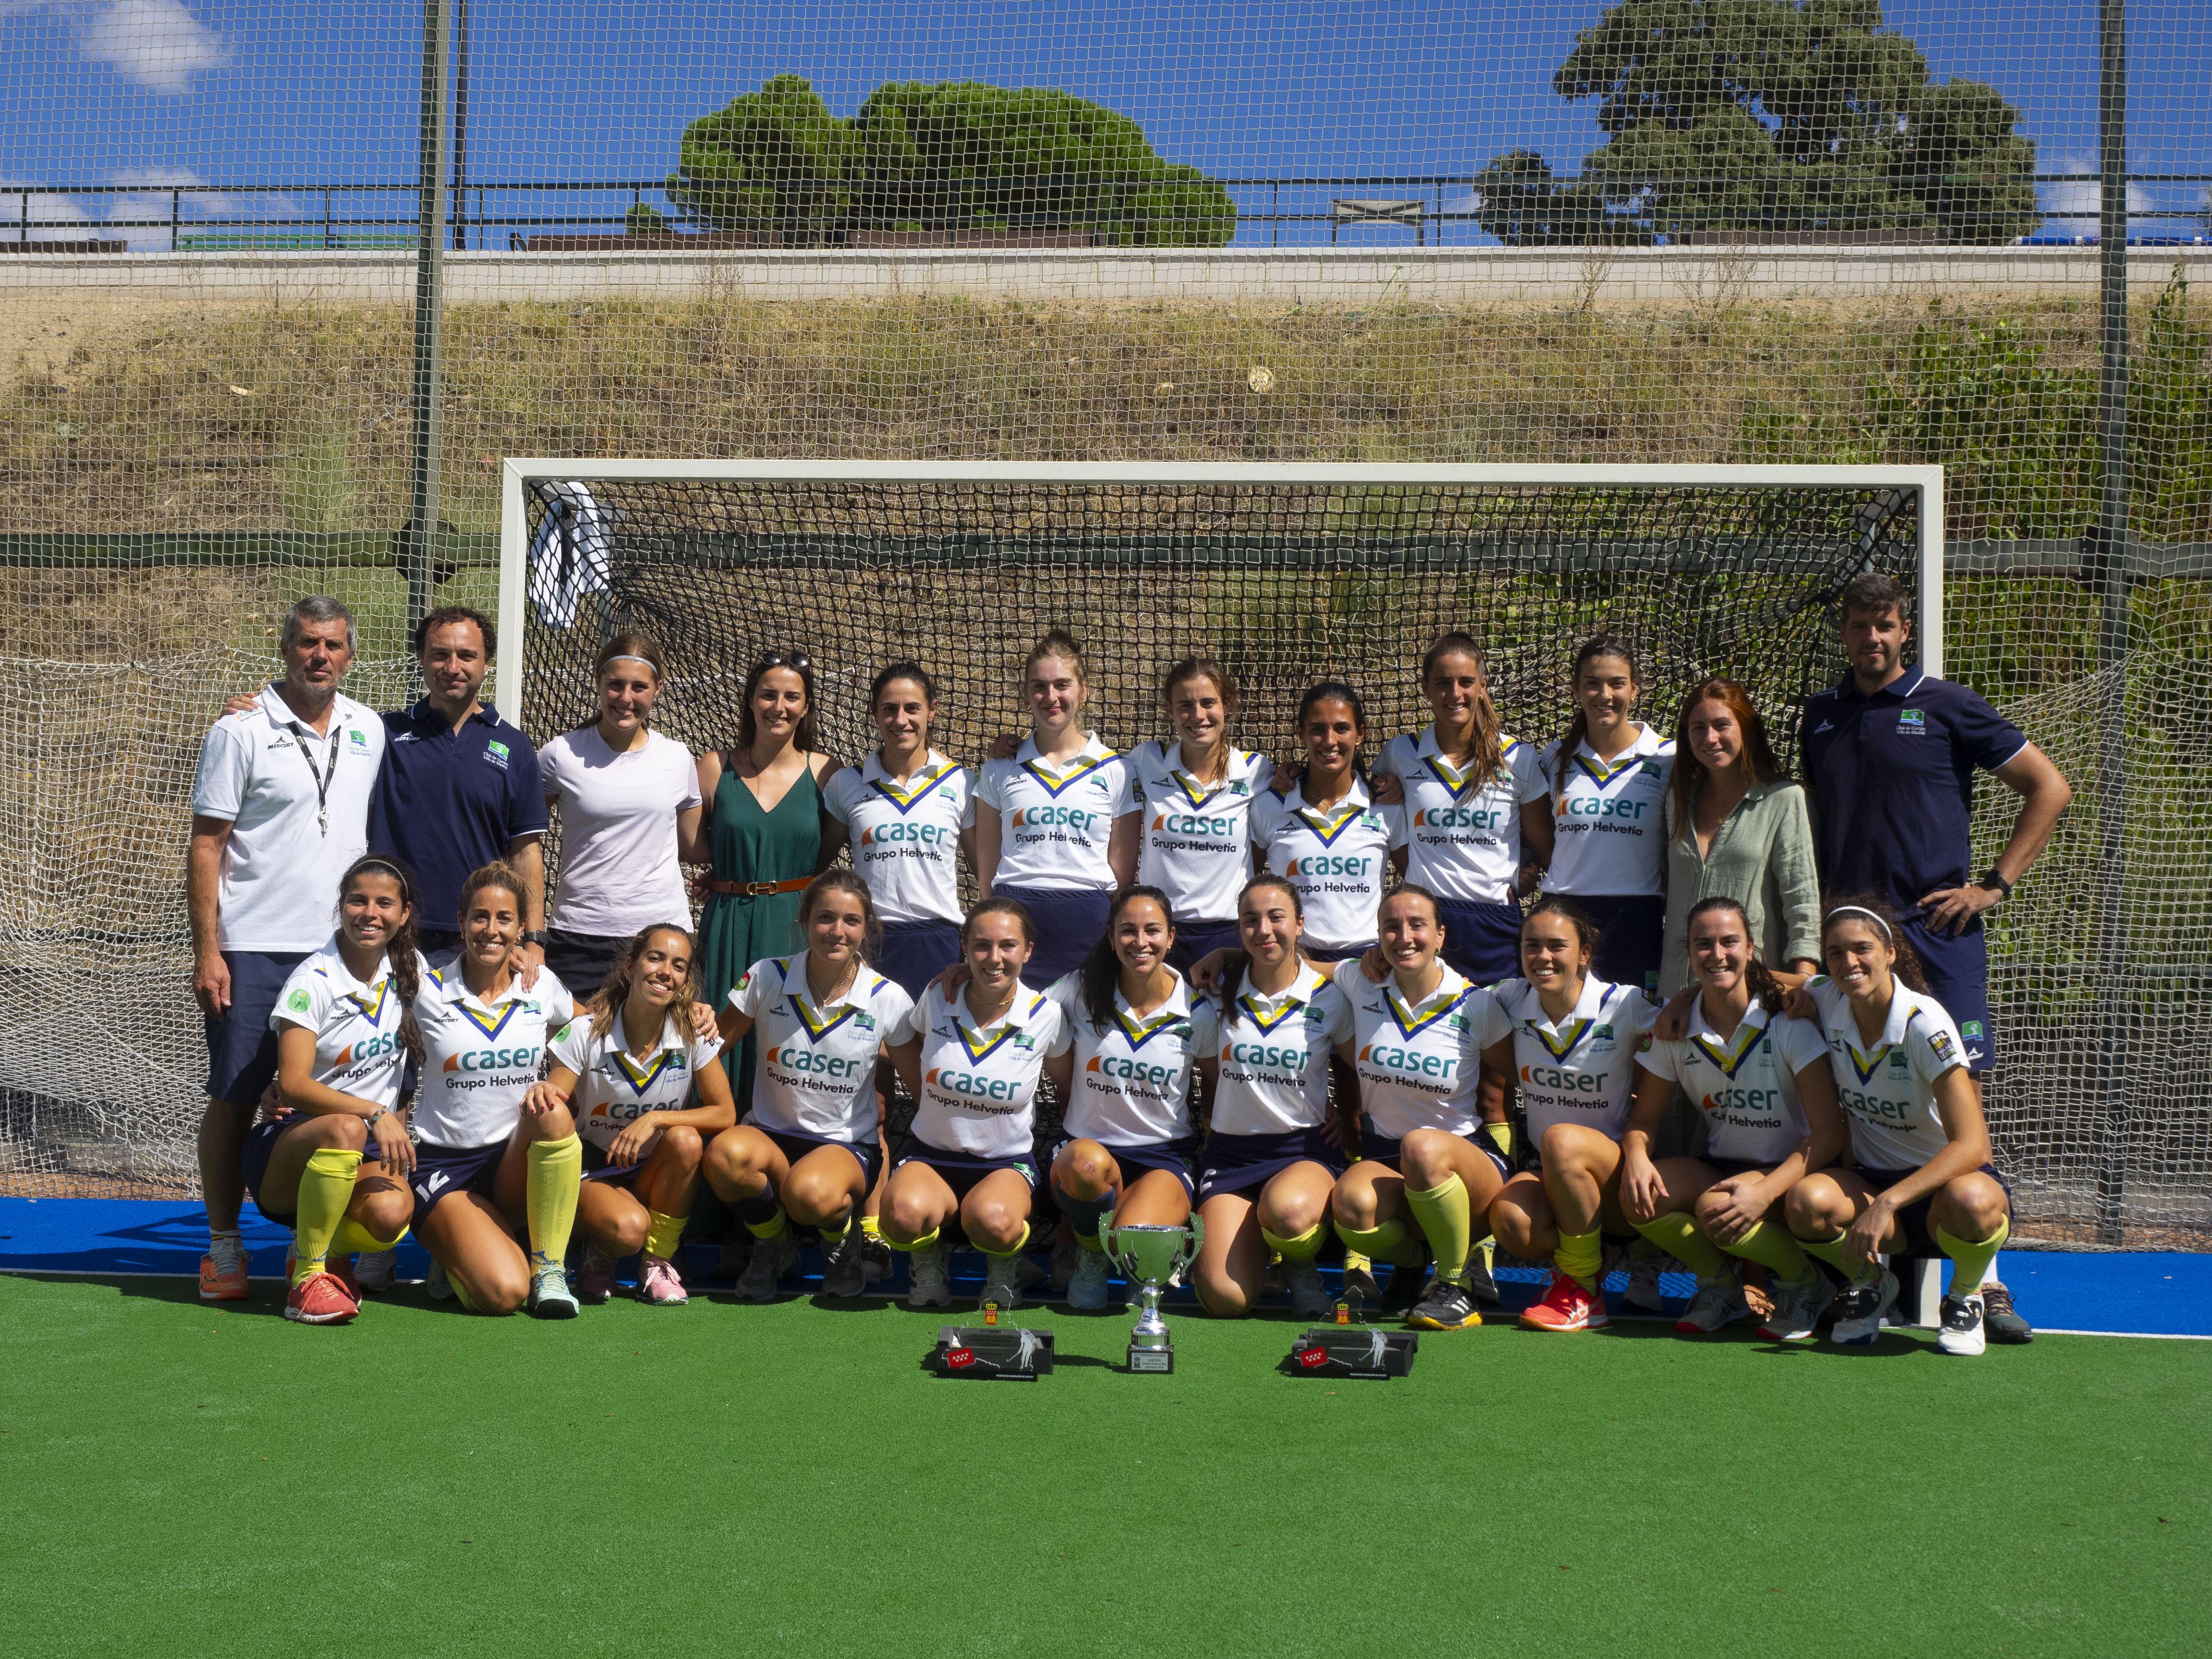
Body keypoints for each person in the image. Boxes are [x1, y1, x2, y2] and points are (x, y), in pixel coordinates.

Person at [1799, 571, 2069, 1341]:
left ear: (1905, 630)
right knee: (1851, 1090)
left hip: (1937, 939)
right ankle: (1862, 1271)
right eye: (1858, 626)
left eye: (1884, 626)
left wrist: (1993, 886)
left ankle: (1985, 1283)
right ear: (1844, 632)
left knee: (1962, 1104)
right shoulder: (1819, 718)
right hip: (1851, 946)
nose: (1871, 639)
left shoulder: (1948, 706)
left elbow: (2048, 786)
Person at [189, 595, 387, 1303]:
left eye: (333, 645)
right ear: (285, 650)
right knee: (236, 1097)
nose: (320, 656)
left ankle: (327, 1248)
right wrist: (208, 950)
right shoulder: (239, 729)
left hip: (343, 955)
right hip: (254, 948)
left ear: (350, 656)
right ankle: (223, 1248)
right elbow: (207, 844)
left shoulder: (369, 728)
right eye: (307, 643)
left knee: (341, 1103)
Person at [1782, 896, 2016, 1356]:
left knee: (1975, 1199)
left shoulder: (1925, 1024)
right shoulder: (1829, 998)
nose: (1849, 962)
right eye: (1835, 953)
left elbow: (1972, 1146)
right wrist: (1689, 997)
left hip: (1940, 1192)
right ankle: (1873, 1285)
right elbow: (1755, 977)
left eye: (1862, 949)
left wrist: (1889, 1201)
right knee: (1806, 1202)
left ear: (1890, 953)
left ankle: (1966, 1295)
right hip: (1872, 1183)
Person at [1619, 896, 1846, 1339]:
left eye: (1729, 942)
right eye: (1704, 944)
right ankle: (1723, 1290)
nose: (1717, 955)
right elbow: (1643, 1119)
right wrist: (1636, 1157)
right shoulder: (1675, 1029)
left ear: (1750, 947)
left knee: (1716, 1208)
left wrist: (1764, 1195)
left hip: (1795, 1176)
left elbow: (1829, 1133)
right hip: (1724, 1168)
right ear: (1688, 952)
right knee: (1638, 1195)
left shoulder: (1788, 1021)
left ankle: (1806, 1285)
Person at [705, 872, 913, 1301]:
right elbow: (711, 1046)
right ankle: (773, 1243)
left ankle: (842, 1246)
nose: (838, 932)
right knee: (725, 1156)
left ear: (866, 927)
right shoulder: (767, 976)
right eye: (825, 918)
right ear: (803, 920)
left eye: (851, 921)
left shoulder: (888, 998)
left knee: (812, 1193)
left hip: (843, 1148)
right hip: (769, 1135)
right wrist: (684, 1015)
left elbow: (922, 1079)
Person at [244, 854, 422, 1325]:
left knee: (391, 1216)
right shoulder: (311, 982)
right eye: (358, 901)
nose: (370, 913)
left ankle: (323, 1247)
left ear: (404, 915)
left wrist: (526, 954)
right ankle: (307, 1279)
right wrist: (375, 1113)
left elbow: (477, 997)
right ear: (340, 907)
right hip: (289, 1149)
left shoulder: (408, 973)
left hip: (357, 1144)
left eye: (385, 903)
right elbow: (295, 1084)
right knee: (344, 1128)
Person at [404, 862, 585, 1319]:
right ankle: (454, 1251)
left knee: (554, 1113)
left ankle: (550, 1269)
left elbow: (590, 1027)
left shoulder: (539, 984)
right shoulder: (426, 989)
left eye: (504, 919)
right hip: (444, 1166)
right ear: (461, 920)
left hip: (511, 1161)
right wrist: (280, 1090)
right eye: (480, 917)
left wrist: (558, 1081)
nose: (491, 930)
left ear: (522, 928)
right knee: (503, 1294)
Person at [1326, 885, 1507, 1332]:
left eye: (1417, 925)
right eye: (1391, 926)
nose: (1404, 936)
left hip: (1465, 1167)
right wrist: (1229, 959)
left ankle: (1456, 1285)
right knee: (1349, 1205)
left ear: (1441, 935)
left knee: (1424, 1147)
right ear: (1378, 936)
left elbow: (1528, 1077)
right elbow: (1288, 968)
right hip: (1387, 1159)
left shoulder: (1477, 1004)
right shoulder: (1359, 981)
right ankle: (1417, 1260)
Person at [1481, 896, 1664, 1334]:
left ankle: (1580, 1287)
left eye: (1556, 946)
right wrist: (1367, 962)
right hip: (1551, 1175)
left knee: (1562, 1139)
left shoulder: (1626, 1004)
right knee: (1509, 1221)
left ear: (1584, 954)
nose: (1542, 957)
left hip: (1618, 1183)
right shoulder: (1506, 999)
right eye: (1532, 946)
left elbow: (1690, 1019)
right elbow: (1442, 989)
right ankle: (1584, 1268)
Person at [530, 924, 735, 1306]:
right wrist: (545, 1089)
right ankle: (599, 1249)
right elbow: (557, 1092)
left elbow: (725, 1113)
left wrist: (655, 1119)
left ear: (686, 981)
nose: (665, 972)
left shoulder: (693, 1031)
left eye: (678, 965)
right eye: (655, 958)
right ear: (630, 967)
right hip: (595, 1170)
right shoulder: (585, 1031)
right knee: (627, 1230)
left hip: (653, 1170)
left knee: (687, 1139)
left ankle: (658, 1262)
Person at [881, 898, 1068, 1310]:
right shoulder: (936, 996)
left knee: (995, 1222)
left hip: (1004, 1164)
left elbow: (1069, 1087)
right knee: (899, 1216)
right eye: (982, 946)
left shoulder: (1048, 1015)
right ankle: (928, 1262)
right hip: (931, 1157)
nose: (994, 958)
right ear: (964, 947)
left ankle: (1007, 1268)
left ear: (1028, 951)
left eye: (1008, 946)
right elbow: (906, 1047)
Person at [1041, 885, 1216, 1310]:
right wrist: (960, 977)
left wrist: (1212, 1143)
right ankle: (1090, 1252)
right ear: (1110, 934)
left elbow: (1213, 1082)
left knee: (1136, 1252)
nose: (1140, 942)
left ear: (1171, 938)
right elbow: (1019, 1008)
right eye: (1128, 931)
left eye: (1153, 931)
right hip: (1090, 1154)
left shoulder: (1197, 1010)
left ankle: (1140, 1246)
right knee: (1085, 1165)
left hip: (1164, 1156)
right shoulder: (1079, 990)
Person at [1188, 877, 1353, 1321]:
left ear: (1300, 924)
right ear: (1239, 931)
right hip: (1232, 1157)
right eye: (1251, 920)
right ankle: (1260, 1251)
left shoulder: (1331, 999)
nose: (1264, 930)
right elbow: (1209, 1076)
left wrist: (1349, 1116)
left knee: (1288, 1211)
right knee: (1225, 1300)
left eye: (1276, 918)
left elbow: (1357, 1067)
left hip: (1300, 1152)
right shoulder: (1215, 994)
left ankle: (1299, 1264)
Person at [1372, 633, 1551, 984]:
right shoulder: (1399, 754)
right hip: (1423, 922)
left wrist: (1519, 881)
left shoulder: (1518, 758)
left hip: (1495, 925)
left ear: (1483, 686)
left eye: (1466, 682)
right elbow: (1367, 814)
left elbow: (1546, 849)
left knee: (1495, 1031)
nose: (1455, 694)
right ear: (1425, 688)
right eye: (1442, 683)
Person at [537, 634, 703, 999]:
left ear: (658, 688)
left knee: (661, 1053)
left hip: (662, 939)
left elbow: (694, 847)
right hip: (579, 935)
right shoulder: (560, 754)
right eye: (615, 685)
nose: (626, 698)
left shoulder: (677, 758)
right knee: (572, 1051)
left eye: (639, 687)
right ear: (598, 682)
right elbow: (523, 837)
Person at [973, 631, 1138, 987]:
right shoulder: (1000, 768)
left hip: (1087, 926)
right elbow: (988, 870)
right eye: (1039, 686)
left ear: (1084, 690)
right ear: (1026, 694)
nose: (1051, 697)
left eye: (1062, 685)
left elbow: (1120, 877)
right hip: (1014, 922)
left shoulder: (1117, 770)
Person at [1655, 679, 1822, 1003]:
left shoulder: (1783, 799)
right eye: (1698, 728)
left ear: (1745, 729)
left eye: (1721, 725)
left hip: (1752, 992)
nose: (1710, 738)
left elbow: (1802, 900)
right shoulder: (1677, 800)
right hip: (1679, 993)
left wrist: (1805, 983)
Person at [822, 662, 975, 999]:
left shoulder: (961, 782)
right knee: (872, 1051)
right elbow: (817, 863)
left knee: (935, 1048)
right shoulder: (847, 783)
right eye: (889, 709)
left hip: (940, 942)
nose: (901, 720)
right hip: (869, 942)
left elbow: (985, 871)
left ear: (932, 711)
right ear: (874, 713)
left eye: (913, 709)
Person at [1539, 634, 1674, 992]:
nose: (1605, 695)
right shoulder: (1552, 758)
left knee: (1635, 1032)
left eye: (1617, 683)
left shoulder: (1668, 757)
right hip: (1562, 913)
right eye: (1593, 683)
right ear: (1576, 689)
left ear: (1636, 689)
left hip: (1637, 917)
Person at [1128, 658, 1270, 972]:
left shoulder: (1258, 771)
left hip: (1230, 934)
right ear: (1170, 711)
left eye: (1208, 703)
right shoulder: (1145, 761)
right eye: (1186, 705)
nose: (1198, 716)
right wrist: (1014, 750)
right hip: (1157, 936)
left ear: (1227, 705)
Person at [1249, 682, 1405, 962]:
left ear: (1360, 735)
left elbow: (1416, 883)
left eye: (1342, 728)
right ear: (1301, 734)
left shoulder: (1387, 807)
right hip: (1295, 961)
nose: (1330, 741)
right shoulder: (1268, 806)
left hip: (1369, 963)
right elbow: (1245, 882)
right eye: (1318, 729)